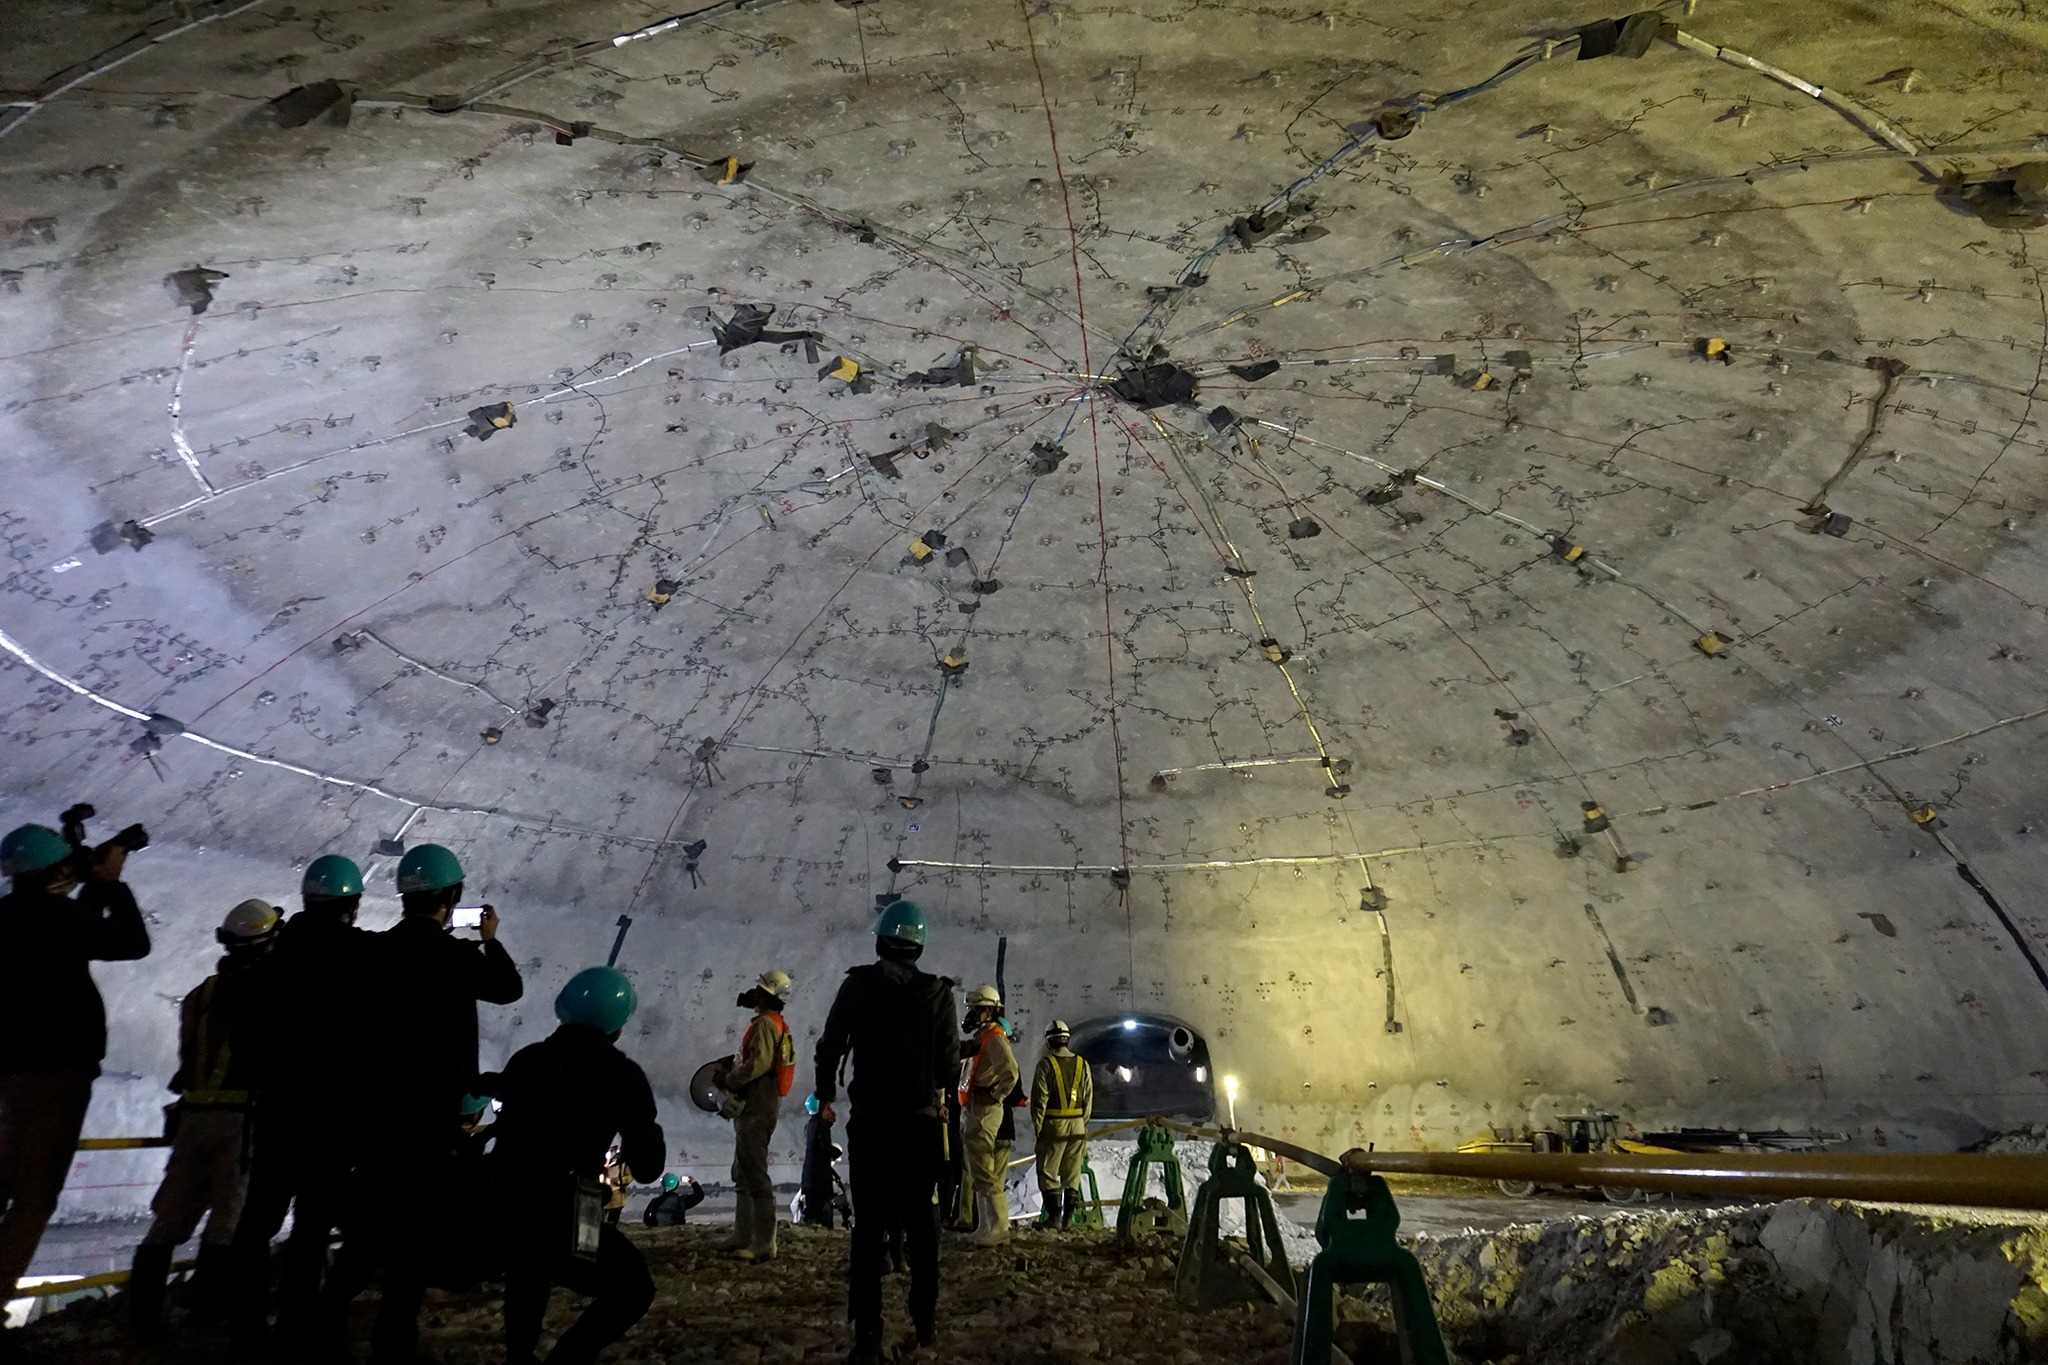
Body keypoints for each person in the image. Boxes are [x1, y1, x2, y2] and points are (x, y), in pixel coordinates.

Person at [327, 843, 521, 1365]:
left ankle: (321, 1322)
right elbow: (508, 988)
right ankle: (394, 1339)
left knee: (368, 1224)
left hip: (374, 1112)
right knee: (412, 1232)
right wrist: (488, 940)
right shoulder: (455, 957)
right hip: (430, 1115)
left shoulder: (374, 950)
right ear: (452, 897)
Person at [227, 853, 377, 1350]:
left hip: (278, 1108)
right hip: (333, 1116)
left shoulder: (275, 949)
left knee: (259, 1217)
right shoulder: (362, 955)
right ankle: (295, 1325)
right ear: (352, 905)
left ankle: (243, 1320)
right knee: (312, 1225)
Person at [0, 823, 150, 1315]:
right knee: (34, 1197)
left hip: (11, 1074)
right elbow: (131, 942)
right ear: (59, 870)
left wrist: (89, 885)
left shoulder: (9, 916)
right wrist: (111, 883)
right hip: (58, 1075)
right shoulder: (61, 919)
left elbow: (62, 929)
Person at [494, 966, 662, 1365]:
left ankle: (518, 1354)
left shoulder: (525, 1060)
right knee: (633, 1286)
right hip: (568, 1206)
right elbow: (649, 1165)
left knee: (527, 1267)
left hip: (503, 1202)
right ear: (617, 1027)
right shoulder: (622, 1075)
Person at [129, 899, 281, 1338]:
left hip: (193, 1117)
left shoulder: (201, 995)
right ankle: (204, 1318)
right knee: (225, 1224)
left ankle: (143, 1319)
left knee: (169, 1221)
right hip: (239, 1121)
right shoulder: (268, 995)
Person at [814, 900, 956, 1364]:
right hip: (919, 1123)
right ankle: (925, 1326)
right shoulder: (937, 994)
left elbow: (830, 1045)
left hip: (871, 1123)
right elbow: (949, 1062)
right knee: (922, 1223)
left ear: (880, 941)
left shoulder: (857, 987)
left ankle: (868, 1336)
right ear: (919, 947)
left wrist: (827, 1095)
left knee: (869, 1226)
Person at [715, 968, 795, 1262]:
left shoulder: (764, 1025)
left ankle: (763, 1241)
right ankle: (743, 1234)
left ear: (766, 994)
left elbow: (757, 1065)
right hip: (762, 1104)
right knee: (744, 1171)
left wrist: (728, 1080)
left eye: (760, 989)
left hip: (757, 1106)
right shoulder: (777, 1024)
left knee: (755, 1173)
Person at [955, 984, 1018, 1247]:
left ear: (990, 1011)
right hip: (974, 1107)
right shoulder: (983, 1038)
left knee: (985, 1170)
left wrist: (996, 1095)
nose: (972, 1015)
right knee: (977, 1169)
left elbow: (1011, 1073)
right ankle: (986, 1226)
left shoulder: (994, 1038)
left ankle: (999, 1227)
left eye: (977, 1010)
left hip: (985, 1108)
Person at [1030, 1019, 1093, 1230]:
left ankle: (1054, 1218)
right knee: (1072, 1172)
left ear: (1049, 1041)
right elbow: (1088, 1097)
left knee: (1048, 1171)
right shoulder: (1082, 1063)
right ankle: (1069, 1219)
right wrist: (1081, 1123)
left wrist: (1038, 1127)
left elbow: (1040, 1099)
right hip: (1077, 1124)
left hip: (1054, 1124)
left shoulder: (1046, 1064)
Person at [796, 1093, 838, 1229]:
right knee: (823, 1217)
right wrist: (835, 1152)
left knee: (812, 1216)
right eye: (828, 1107)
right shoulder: (821, 1125)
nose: (832, 1111)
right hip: (819, 1180)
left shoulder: (810, 1125)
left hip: (810, 1179)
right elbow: (824, 1147)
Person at [601, 1143, 631, 1227]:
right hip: (602, 1198)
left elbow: (629, 1177)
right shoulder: (603, 1161)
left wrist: (616, 1181)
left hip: (616, 1199)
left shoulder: (624, 1163)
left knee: (612, 1222)